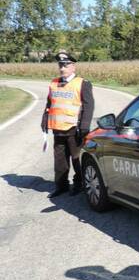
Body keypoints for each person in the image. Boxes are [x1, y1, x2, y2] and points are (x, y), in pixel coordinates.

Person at [41, 52, 95, 198]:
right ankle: (61, 186)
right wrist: (45, 119)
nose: (62, 68)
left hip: (74, 129)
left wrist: (84, 126)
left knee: (76, 159)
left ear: (73, 66)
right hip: (58, 129)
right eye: (60, 65)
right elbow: (49, 104)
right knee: (60, 160)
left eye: (65, 65)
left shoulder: (83, 83)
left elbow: (89, 106)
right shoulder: (53, 83)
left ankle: (79, 184)